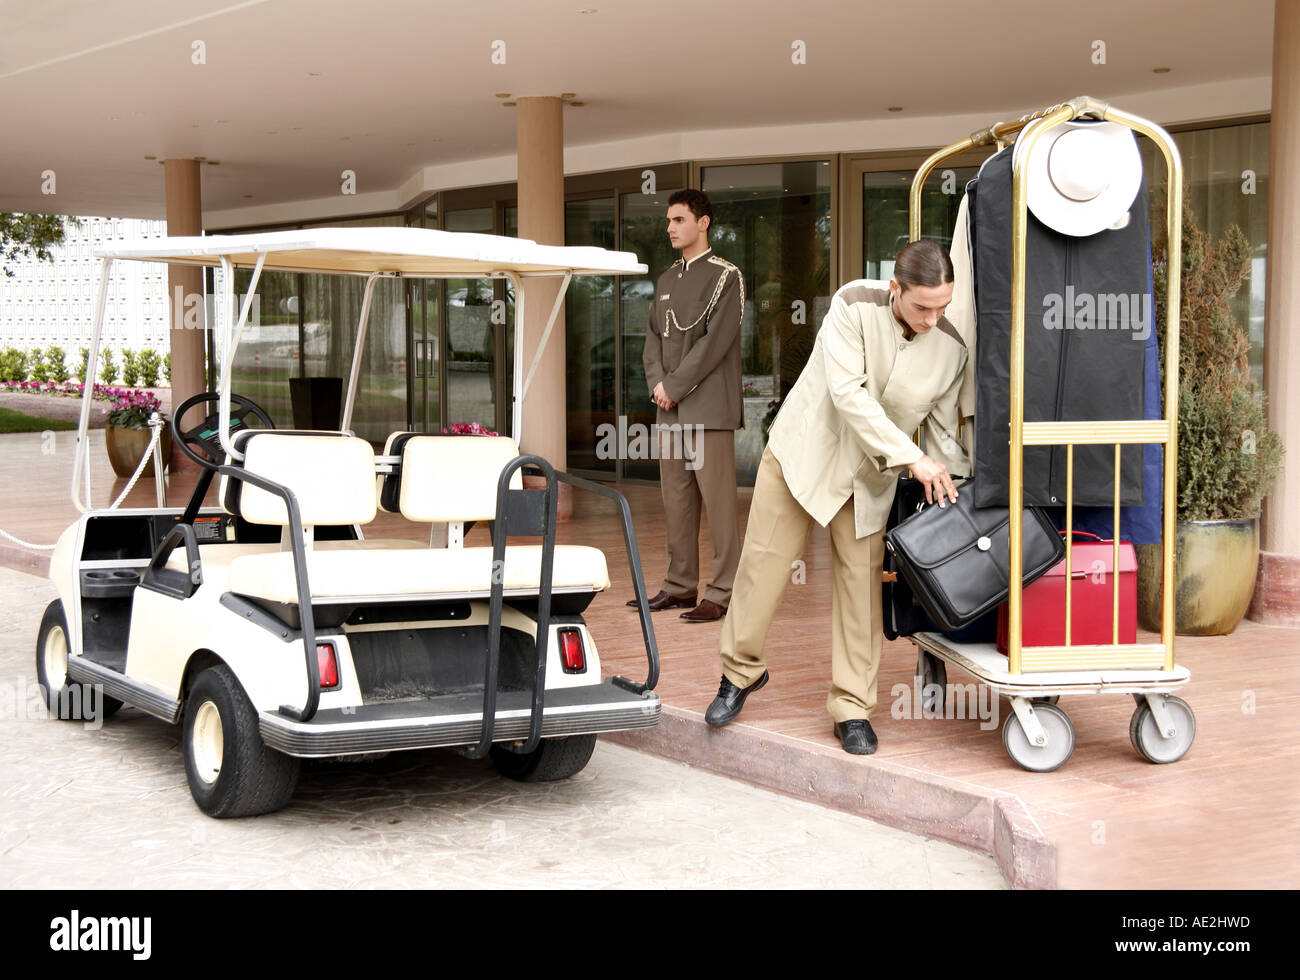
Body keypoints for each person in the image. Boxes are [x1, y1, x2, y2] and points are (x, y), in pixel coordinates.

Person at [704, 239, 970, 754]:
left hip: (871, 477)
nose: (932, 318)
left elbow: (941, 433)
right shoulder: (853, 305)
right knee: (763, 567)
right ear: (896, 288)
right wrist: (911, 456)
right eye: (922, 306)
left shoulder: (951, 350)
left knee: (860, 592)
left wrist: (950, 480)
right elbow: (848, 394)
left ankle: (852, 708)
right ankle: (739, 673)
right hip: (804, 455)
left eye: (943, 307)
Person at [627, 189, 743, 623]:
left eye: (679, 220)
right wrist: (659, 385)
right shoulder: (666, 279)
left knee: (718, 505)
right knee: (676, 501)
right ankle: (679, 586)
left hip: (709, 410)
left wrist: (673, 386)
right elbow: (652, 339)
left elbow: (714, 344)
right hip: (669, 408)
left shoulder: (726, 276)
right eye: (669, 221)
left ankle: (725, 590)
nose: (671, 228)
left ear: (703, 222)